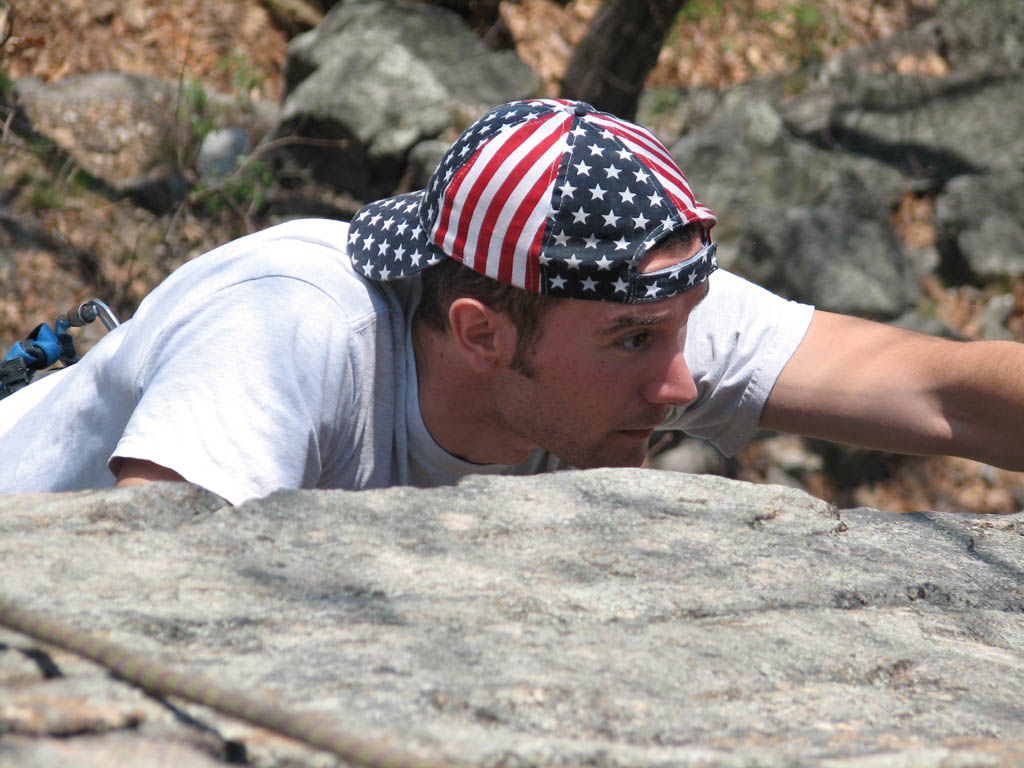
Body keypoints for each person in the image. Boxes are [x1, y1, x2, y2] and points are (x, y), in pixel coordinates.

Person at [1, 98, 1022, 505]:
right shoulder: (287, 331)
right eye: (632, 342)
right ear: (480, 332)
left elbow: (945, 392)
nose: (678, 380)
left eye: (678, 331)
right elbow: (153, 588)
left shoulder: (632, 303)